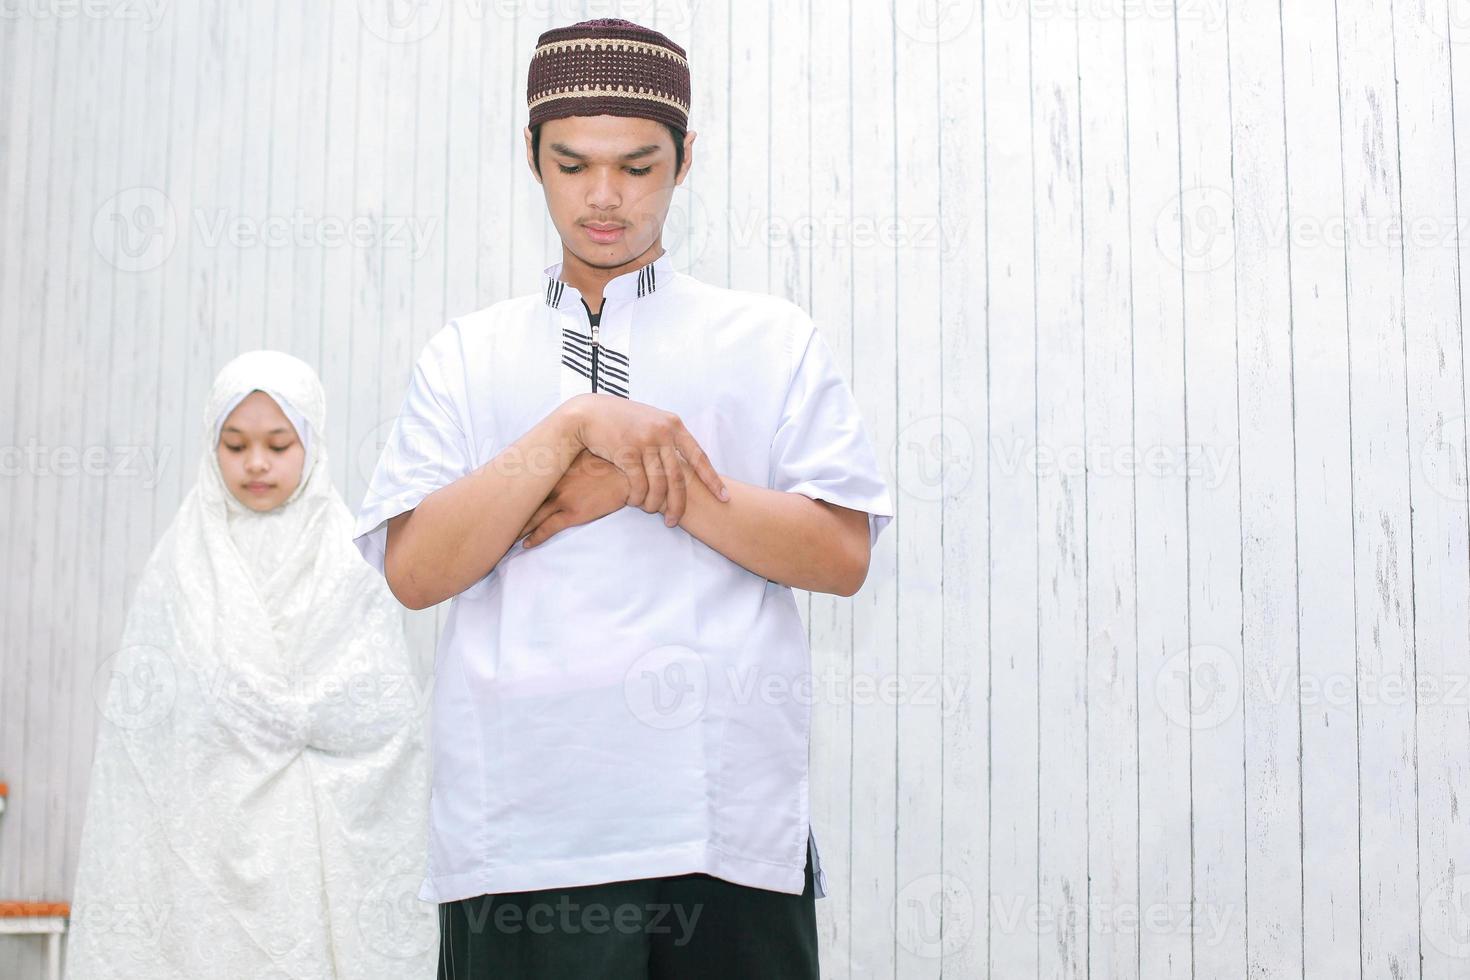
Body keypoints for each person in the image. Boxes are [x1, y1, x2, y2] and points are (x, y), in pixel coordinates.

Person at [354, 17, 894, 979]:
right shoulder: (467, 354)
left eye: (638, 166)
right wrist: (570, 430)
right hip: (519, 830)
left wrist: (646, 483)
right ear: (532, 158)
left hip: (720, 828)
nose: (604, 198)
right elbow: (416, 572)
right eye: (573, 165)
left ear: (686, 161)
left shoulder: (769, 339)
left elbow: (842, 557)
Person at [65, 350, 436, 979]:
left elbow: (382, 715)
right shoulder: (179, 565)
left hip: (315, 844)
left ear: (311, 445)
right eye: (234, 445)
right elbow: (149, 732)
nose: (256, 463)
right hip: (202, 834)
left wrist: (283, 719)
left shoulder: (349, 561)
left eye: (278, 443)